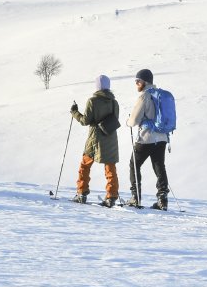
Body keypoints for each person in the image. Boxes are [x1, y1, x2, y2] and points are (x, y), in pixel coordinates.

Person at [70, 74, 120, 207]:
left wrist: (75, 112)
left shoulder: (92, 101)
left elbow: (85, 121)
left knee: (85, 165)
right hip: (110, 138)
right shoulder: (114, 103)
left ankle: (82, 192)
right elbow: (114, 119)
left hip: (95, 138)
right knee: (110, 168)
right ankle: (111, 196)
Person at [126, 68, 170, 210]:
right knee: (159, 165)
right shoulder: (160, 95)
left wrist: (128, 122)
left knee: (134, 164)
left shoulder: (144, 96)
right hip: (162, 137)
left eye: (138, 81)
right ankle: (162, 199)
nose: (136, 84)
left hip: (147, 137)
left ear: (145, 82)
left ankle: (135, 197)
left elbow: (134, 120)